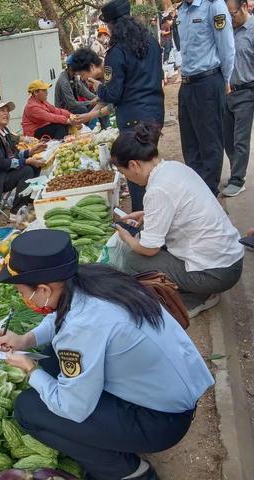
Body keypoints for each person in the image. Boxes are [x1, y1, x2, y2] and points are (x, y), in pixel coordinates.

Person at [0, 229, 214, 480]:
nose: (22, 298)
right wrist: (25, 339)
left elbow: (72, 408)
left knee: (28, 409)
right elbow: (59, 316)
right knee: (53, 360)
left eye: (21, 292)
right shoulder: (91, 278)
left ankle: (128, 471)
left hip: (160, 421)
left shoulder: (83, 326)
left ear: (43, 289)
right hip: (170, 390)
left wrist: (30, 368)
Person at [110, 124, 244, 318]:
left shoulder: (157, 190)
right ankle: (197, 289)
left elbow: (149, 249)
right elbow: (180, 208)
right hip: (230, 261)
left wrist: (126, 237)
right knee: (145, 241)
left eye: (124, 172)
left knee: (131, 257)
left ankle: (194, 298)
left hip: (216, 274)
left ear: (133, 165)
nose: (127, 177)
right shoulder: (173, 168)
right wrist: (148, 215)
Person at [68, 0, 164, 212]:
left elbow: (113, 93)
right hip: (155, 112)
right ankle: (159, 216)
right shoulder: (151, 42)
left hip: (133, 119)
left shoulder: (117, 52)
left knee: (136, 172)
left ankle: (143, 222)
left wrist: (100, 87)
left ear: (111, 26)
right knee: (153, 169)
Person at [177, 0, 235, 197]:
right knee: (190, 142)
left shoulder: (214, 6)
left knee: (210, 143)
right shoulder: (182, 11)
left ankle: (209, 194)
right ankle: (197, 191)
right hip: (186, 84)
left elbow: (227, 47)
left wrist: (225, 80)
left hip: (208, 81)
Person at [0, 101, 47, 221]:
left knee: (35, 166)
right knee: (26, 170)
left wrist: (30, 152)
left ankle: (27, 201)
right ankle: (16, 212)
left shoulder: (4, 132)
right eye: (2, 111)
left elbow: (14, 154)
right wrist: (26, 161)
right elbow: (1, 163)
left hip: (5, 173)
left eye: (7, 111)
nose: (6, 114)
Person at [222, 0, 254, 197]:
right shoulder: (227, 31)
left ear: (244, 6)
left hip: (247, 91)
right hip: (226, 92)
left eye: (232, 14)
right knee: (227, 138)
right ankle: (235, 171)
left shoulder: (251, 31)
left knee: (240, 139)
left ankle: (237, 179)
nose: (230, 19)